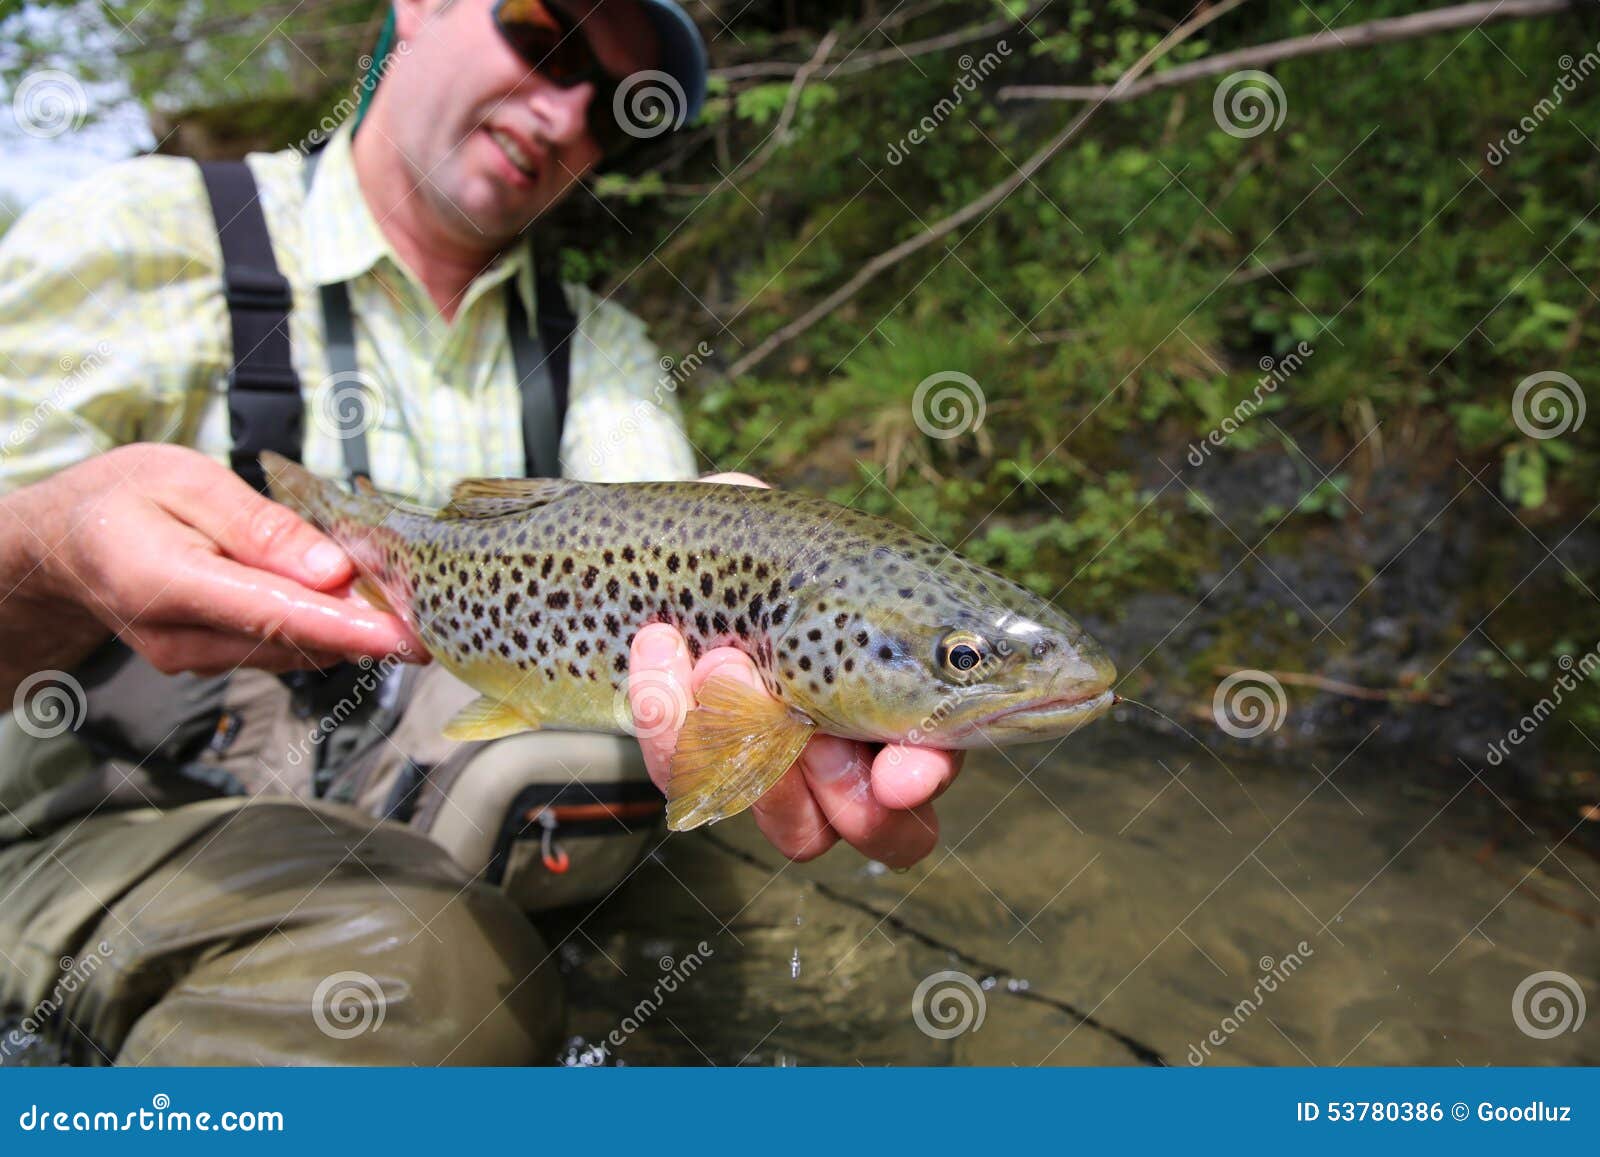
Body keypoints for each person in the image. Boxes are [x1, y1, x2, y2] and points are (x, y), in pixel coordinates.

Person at [0, 0, 962, 1066]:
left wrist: (756, 562)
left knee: (785, 965)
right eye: (544, 37)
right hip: (98, 820)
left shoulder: (598, 348)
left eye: (613, 103)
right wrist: (44, 550)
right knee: (424, 980)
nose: (567, 112)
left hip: (432, 837)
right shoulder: (139, 237)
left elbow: (670, 522)